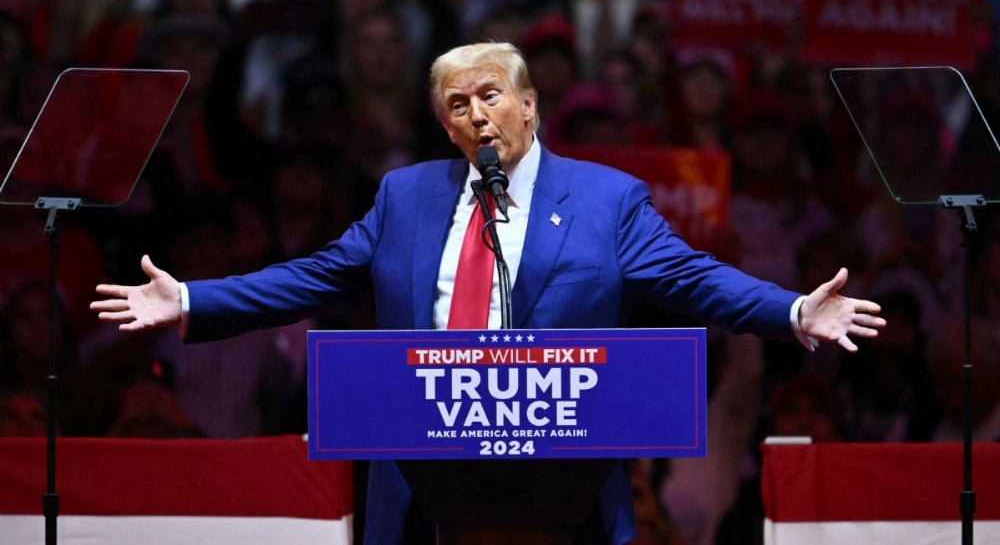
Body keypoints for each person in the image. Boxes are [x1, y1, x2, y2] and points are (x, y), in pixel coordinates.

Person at [92, 42, 885, 545]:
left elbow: (691, 276)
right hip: (423, 472)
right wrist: (193, 300)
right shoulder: (405, 197)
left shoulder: (608, 201)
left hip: (565, 473)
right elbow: (315, 275)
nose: (477, 114)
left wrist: (790, 310)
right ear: (446, 127)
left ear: (530, 105)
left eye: (490, 95)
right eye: (458, 105)